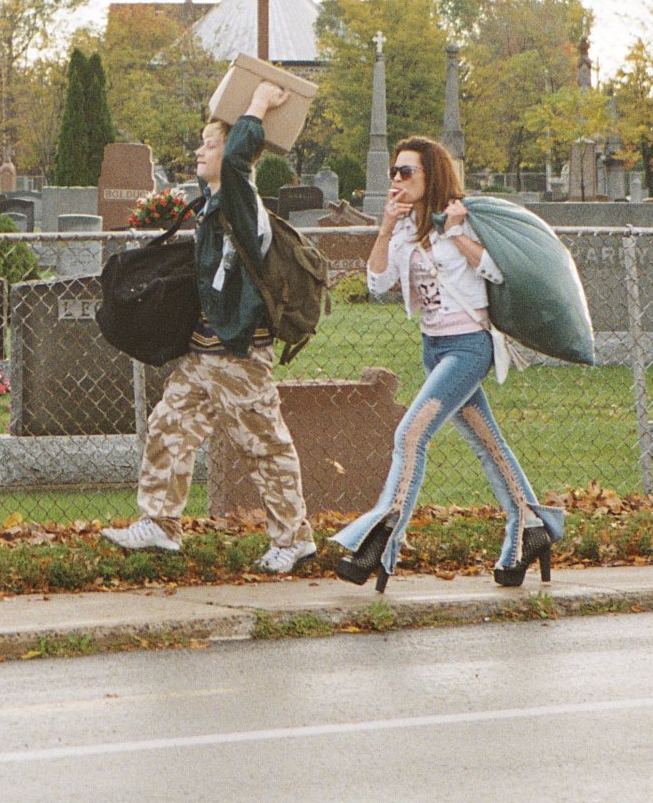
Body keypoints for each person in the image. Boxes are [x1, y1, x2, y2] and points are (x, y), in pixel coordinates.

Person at [101, 81, 316, 574]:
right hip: (204, 353)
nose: (200, 151)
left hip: (238, 353)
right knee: (169, 426)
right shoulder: (216, 201)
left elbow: (241, 160)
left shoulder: (242, 200)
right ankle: (159, 523)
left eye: (210, 144)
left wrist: (259, 102)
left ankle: (293, 539)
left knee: (263, 446)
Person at [332, 136, 563, 591]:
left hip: (469, 347)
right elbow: (378, 284)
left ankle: (379, 540)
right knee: (487, 443)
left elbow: (497, 272)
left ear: (430, 175)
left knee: (410, 434)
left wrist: (456, 233)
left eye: (406, 172)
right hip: (434, 348)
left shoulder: (464, 218)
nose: (396, 179)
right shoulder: (403, 230)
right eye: (393, 172)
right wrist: (384, 228)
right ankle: (531, 525)